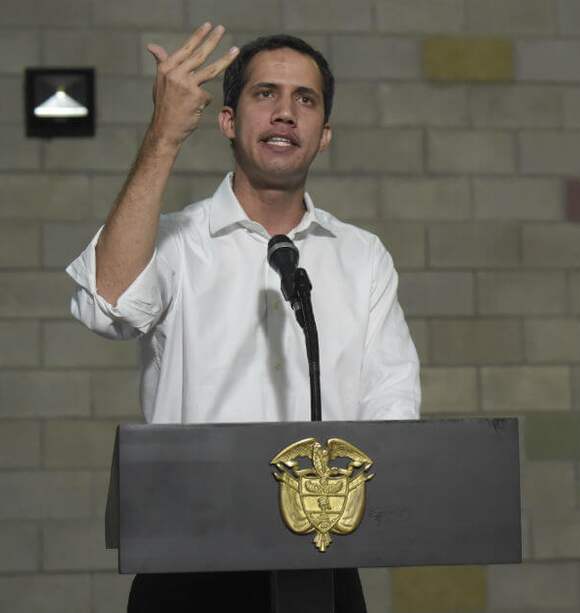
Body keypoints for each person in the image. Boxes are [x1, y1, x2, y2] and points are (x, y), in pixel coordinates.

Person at [66, 24, 420, 613]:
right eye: (266, 94)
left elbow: (393, 405)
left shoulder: (362, 255)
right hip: (189, 564)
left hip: (323, 559)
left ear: (323, 134)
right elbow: (107, 307)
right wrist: (163, 137)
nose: (286, 113)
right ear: (228, 120)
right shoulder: (177, 241)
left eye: (304, 100)